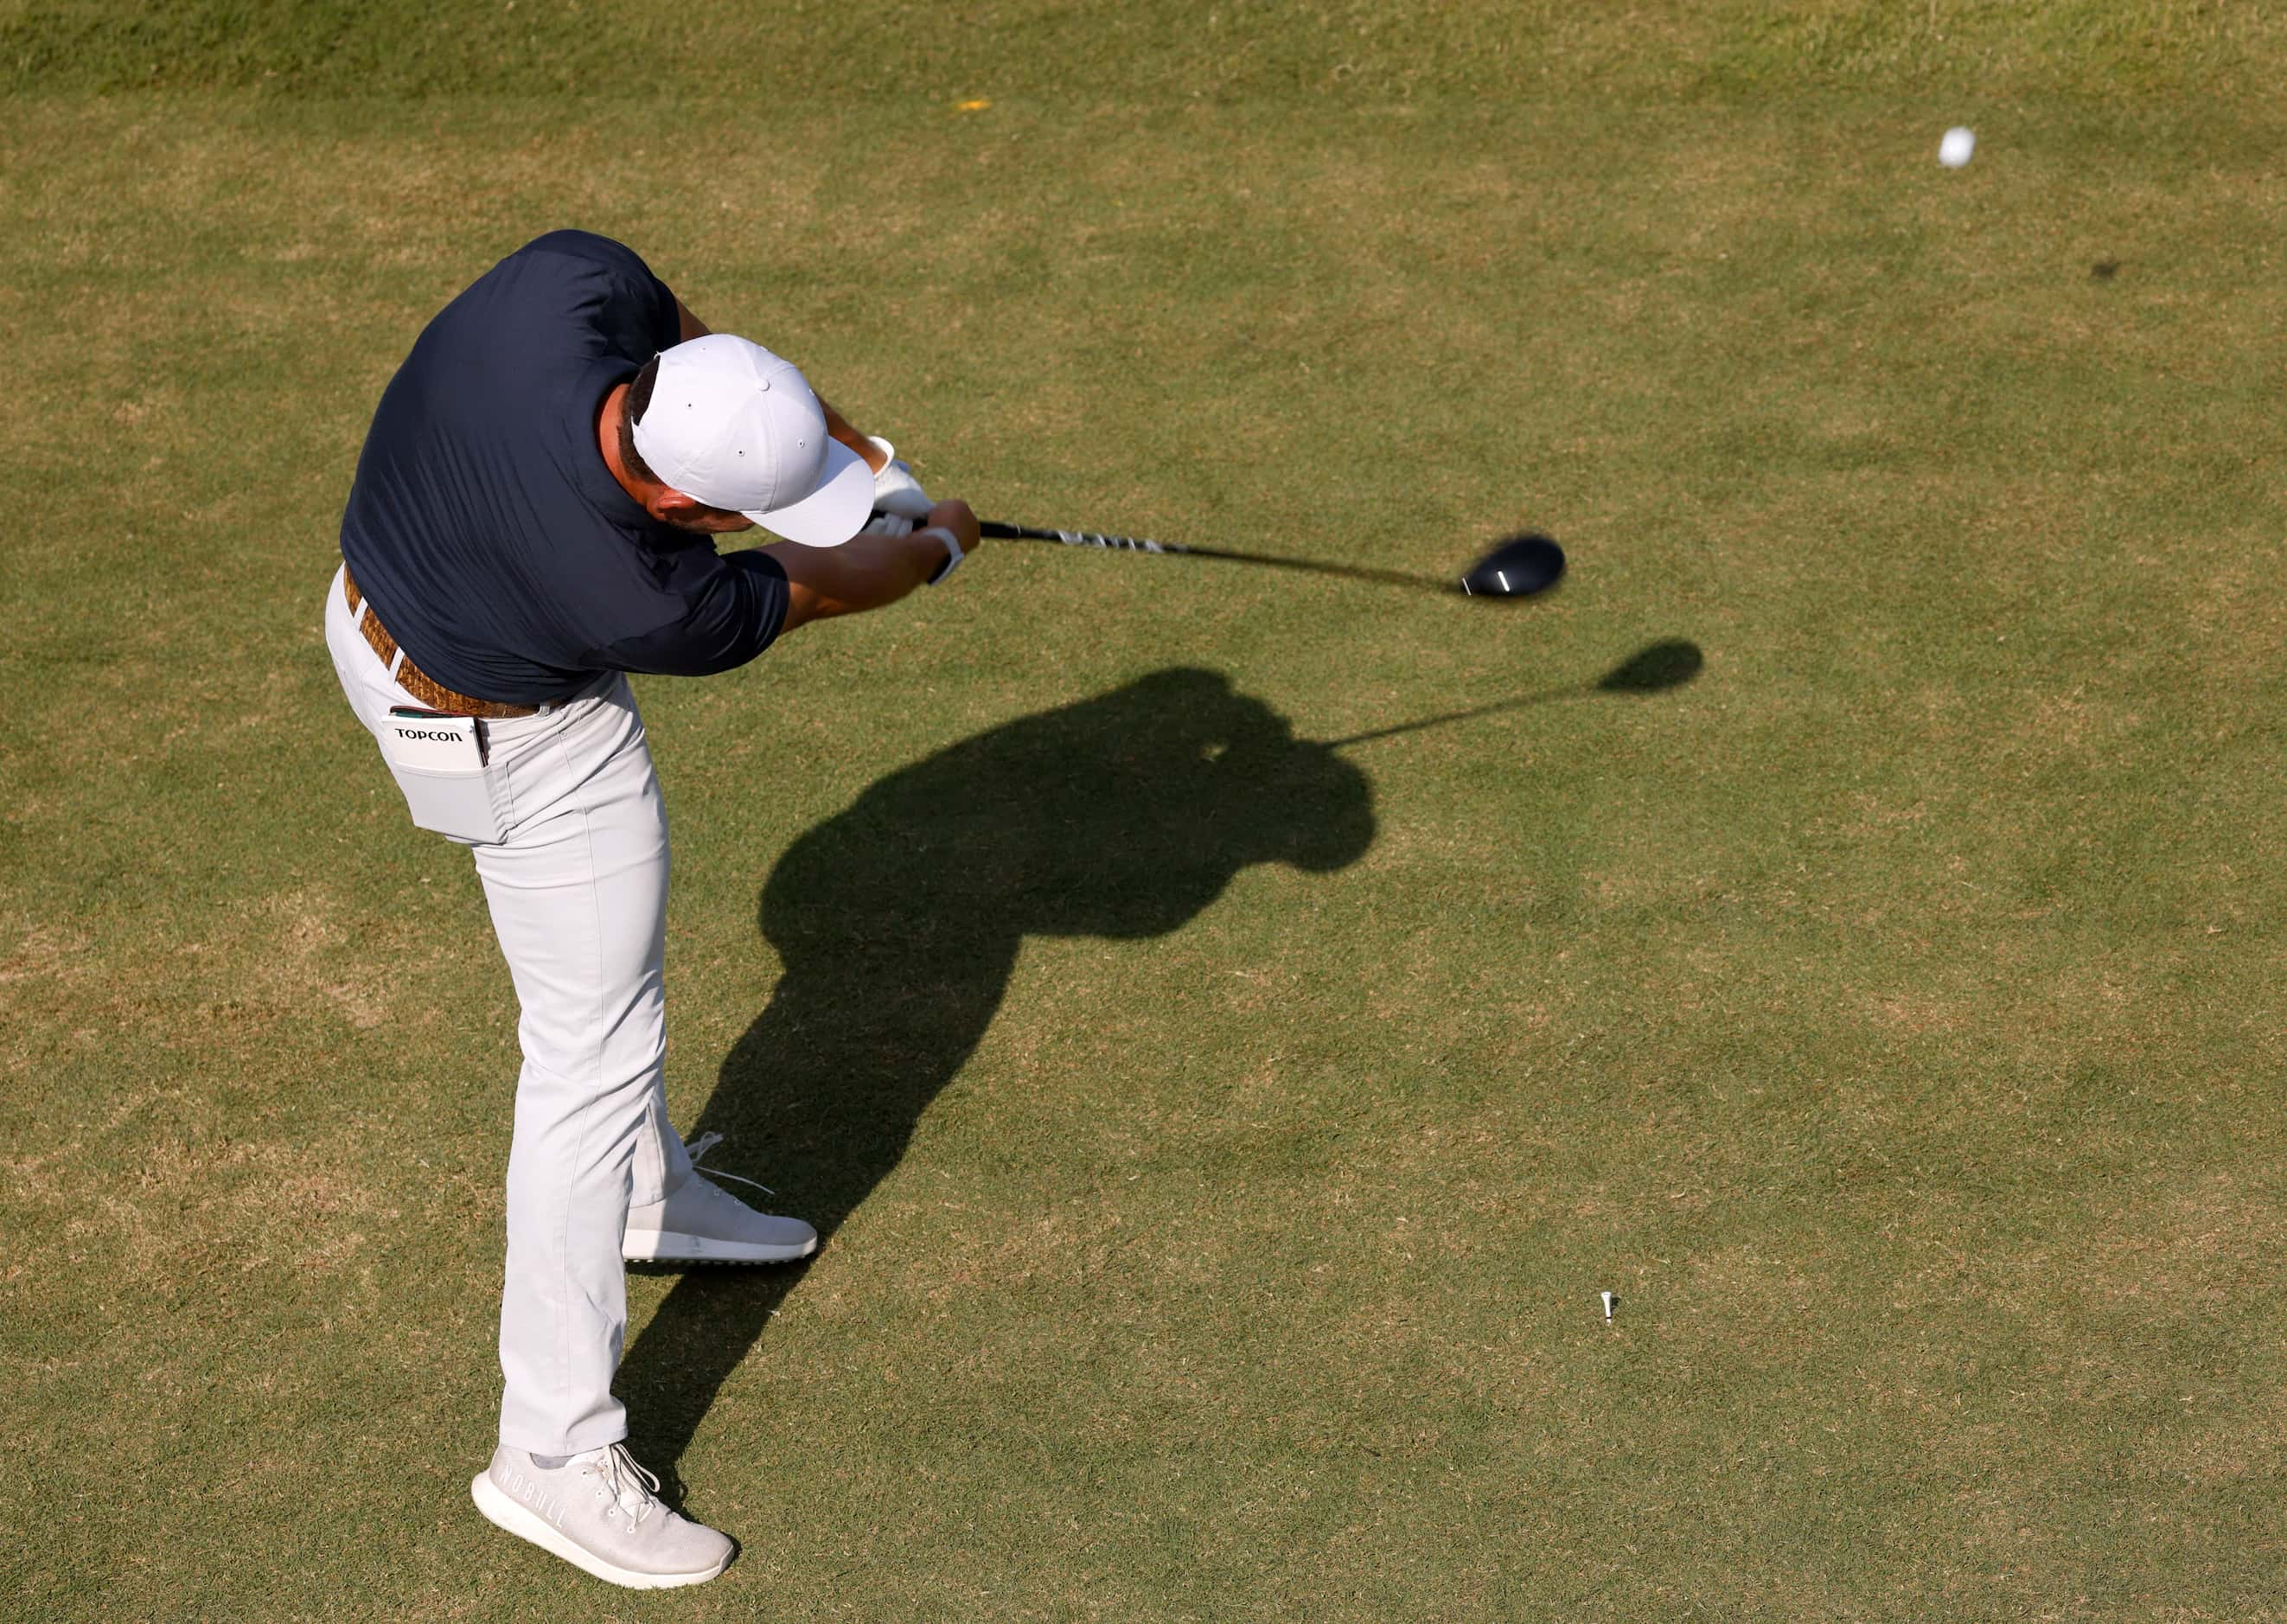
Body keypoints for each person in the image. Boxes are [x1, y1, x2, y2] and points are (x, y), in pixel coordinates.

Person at [322, 229, 981, 1590]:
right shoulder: (646, 592)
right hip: (514, 731)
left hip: (376, 607)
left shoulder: (573, 283)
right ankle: (550, 1454)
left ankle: (649, 1192)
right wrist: (934, 550)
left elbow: (691, 327)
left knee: (601, 999)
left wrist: (862, 468)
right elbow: (818, 586)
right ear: (685, 511)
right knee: (585, 1053)